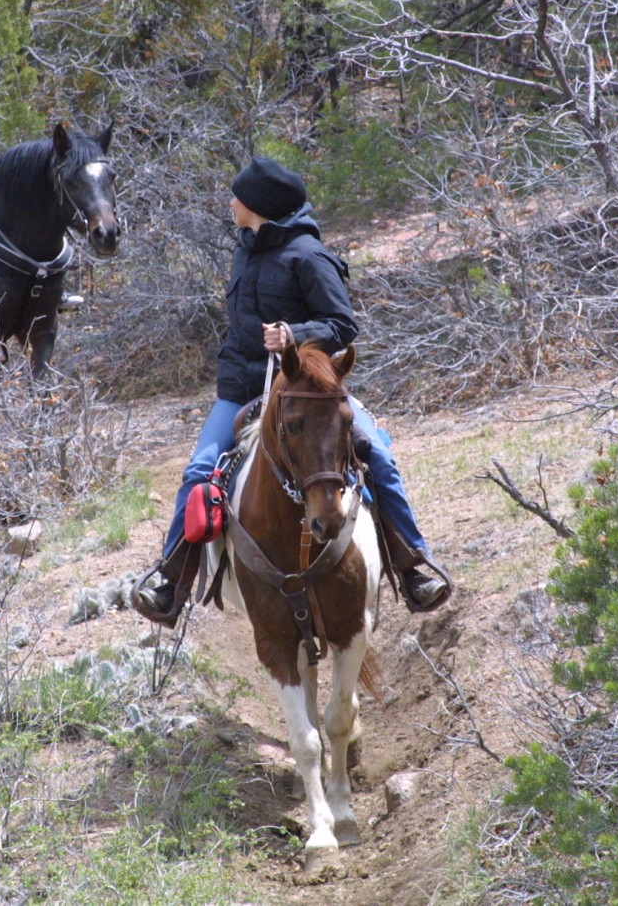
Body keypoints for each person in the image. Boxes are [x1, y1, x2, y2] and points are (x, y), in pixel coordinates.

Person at [133, 157, 452, 626]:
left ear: (259, 206)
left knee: (376, 455)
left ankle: (412, 567)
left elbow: (343, 325)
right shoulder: (246, 248)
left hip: (311, 394)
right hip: (241, 389)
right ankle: (171, 584)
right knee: (199, 472)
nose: (231, 203)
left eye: (237, 196)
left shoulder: (310, 256)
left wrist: (294, 333)